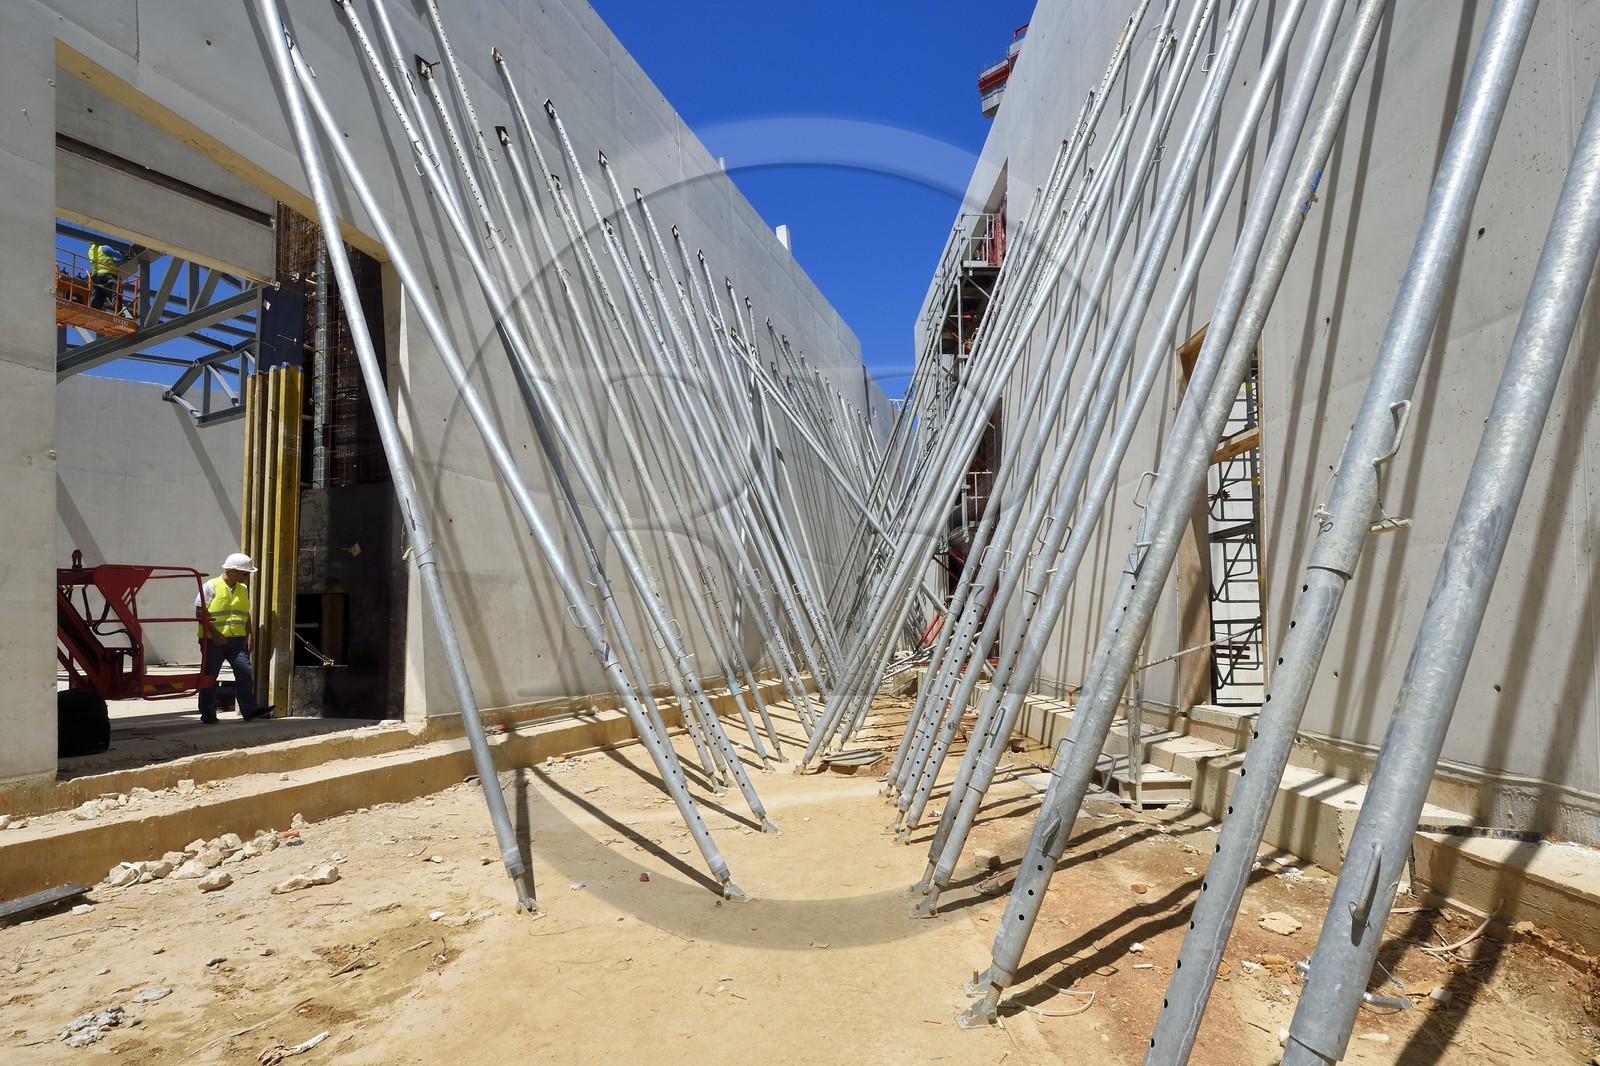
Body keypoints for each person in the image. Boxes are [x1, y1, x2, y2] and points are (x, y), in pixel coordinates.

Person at [196, 552, 273, 723]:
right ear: (232, 572)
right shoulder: (210, 586)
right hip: (213, 641)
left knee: (244, 672)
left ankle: (250, 711)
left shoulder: (242, 589)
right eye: (245, 573)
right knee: (210, 677)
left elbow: (245, 613)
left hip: (237, 641)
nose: (247, 577)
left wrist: (250, 634)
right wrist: (215, 634)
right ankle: (208, 713)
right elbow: (199, 612)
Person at [87, 241, 126, 314]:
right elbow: (120, 256)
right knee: (115, 294)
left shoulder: (91, 251)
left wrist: (120, 261)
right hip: (107, 275)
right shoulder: (104, 248)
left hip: (96, 277)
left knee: (97, 296)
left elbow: (110, 261)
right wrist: (124, 255)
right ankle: (119, 313)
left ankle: (93, 312)